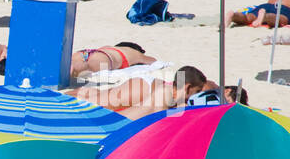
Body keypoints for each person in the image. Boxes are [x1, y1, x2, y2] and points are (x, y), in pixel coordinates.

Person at [71, 64, 219, 118]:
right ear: (187, 88)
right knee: (97, 101)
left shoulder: (171, 95)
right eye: (197, 91)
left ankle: (62, 96)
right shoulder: (167, 96)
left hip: (148, 86)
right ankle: (61, 98)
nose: (198, 95)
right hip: (143, 88)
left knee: (98, 96)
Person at [70, 42, 157, 76]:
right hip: (105, 58)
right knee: (81, 68)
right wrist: (140, 55)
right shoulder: (132, 53)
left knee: (71, 62)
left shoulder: (107, 47)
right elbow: (153, 61)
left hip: (86, 53)